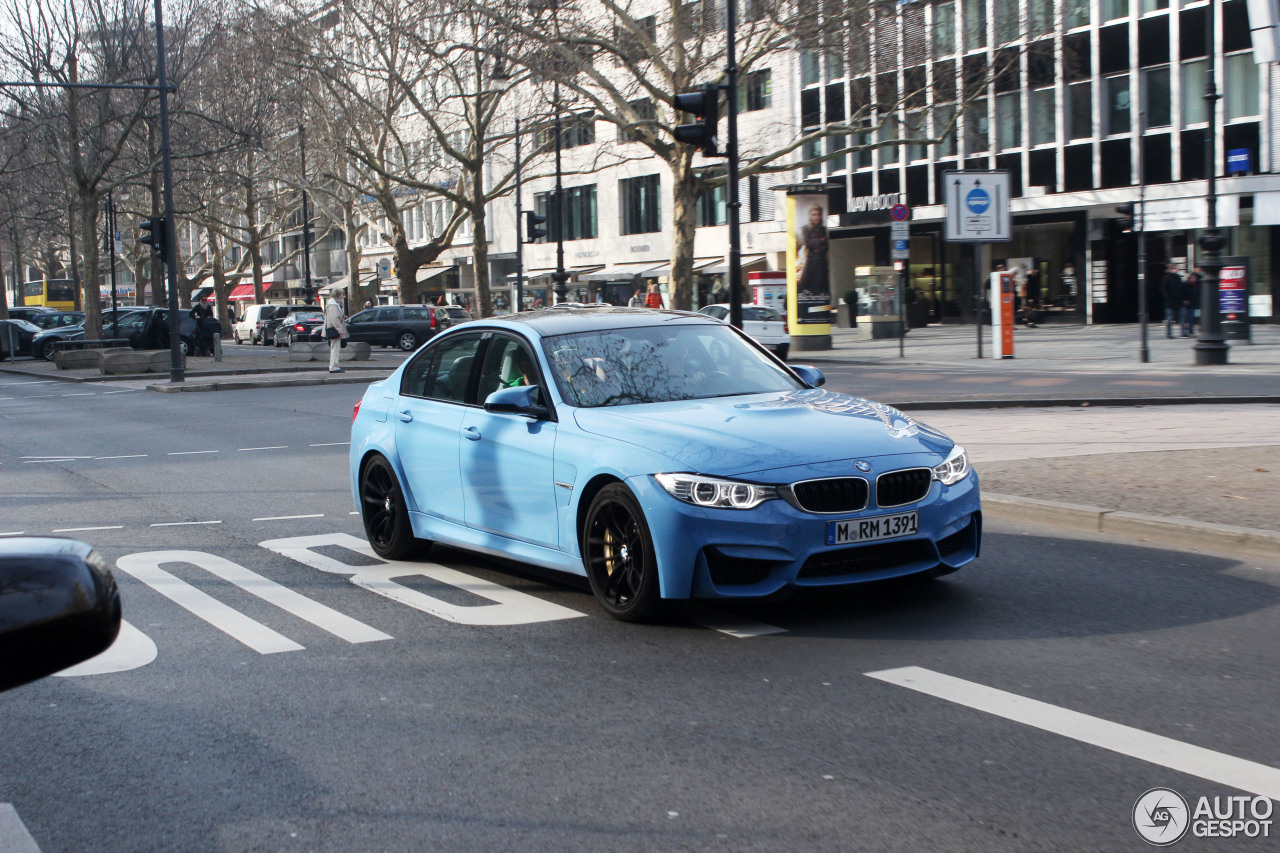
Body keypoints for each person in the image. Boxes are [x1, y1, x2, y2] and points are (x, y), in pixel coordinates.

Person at [797, 204, 829, 293]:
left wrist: (815, 244)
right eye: (814, 214)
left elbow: (826, 247)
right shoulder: (805, 229)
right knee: (808, 286)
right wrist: (820, 241)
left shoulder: (824, 229)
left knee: (821, 288)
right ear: (810, 216)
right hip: (811, 263)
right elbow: (807, 243)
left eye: (818, 214)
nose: (816, 217)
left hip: (822, 263)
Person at [323, 286, 349, 373]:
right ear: (338, 295)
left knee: (335, 348)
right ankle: (334, 367)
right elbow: (335, 319)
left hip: (333, 328)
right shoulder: (333, 305)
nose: (343, 296)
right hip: (334, 329)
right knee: (335, 348)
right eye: (342, 294)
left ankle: (334, 366)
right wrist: (340, 331)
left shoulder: (333, 304)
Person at [1160, 266, 1183, 338]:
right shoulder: (1167, 278)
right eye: (1175, 268)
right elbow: (1163, 289)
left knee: (1182, 316)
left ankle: (1183, 332)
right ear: (1171, 269)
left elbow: (1180, 288)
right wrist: (1168, 297)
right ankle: (1169, 333)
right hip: (1170, 301)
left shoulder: (1178, 278)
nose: (1177, 270)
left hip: (1177, 300)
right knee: (1169, 317)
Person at [1182, 270, 1200, 337]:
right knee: (1188, 318)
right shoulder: (1186, 285)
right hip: (1188, 304)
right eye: (1193, 278)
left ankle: (1191, 331)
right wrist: (1185, 300)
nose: (1194, 279)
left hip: (1194, 303)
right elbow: (1184, 293)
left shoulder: (1196, 285)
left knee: (1193, 318)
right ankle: (1188, 331)